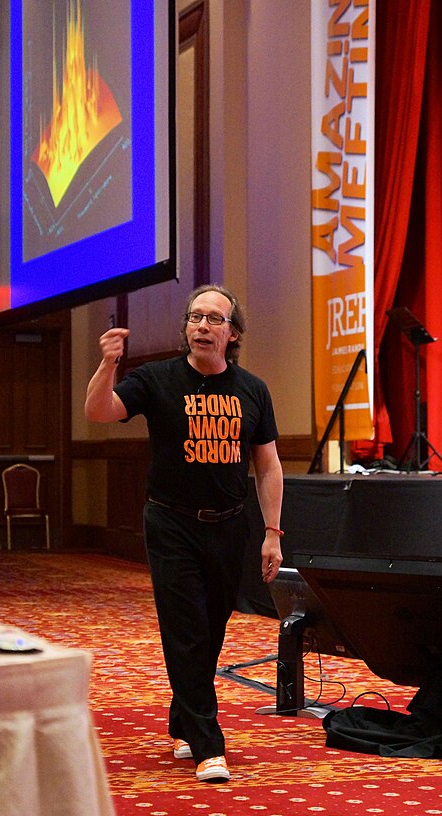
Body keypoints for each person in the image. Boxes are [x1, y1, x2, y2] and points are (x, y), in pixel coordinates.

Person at [85, 284, 284, 782]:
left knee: (211, 630)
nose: (202, 326)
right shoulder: (156, 380)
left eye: (214, 319)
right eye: (195, 317)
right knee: (186, 628)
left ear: (232, 333)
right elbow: (99, 411)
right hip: (170, 522)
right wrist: (108, 363)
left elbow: (269, 466)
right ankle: (208, 743)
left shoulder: (252, 390)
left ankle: (181, 720)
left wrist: (272, 533)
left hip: (229, 526)